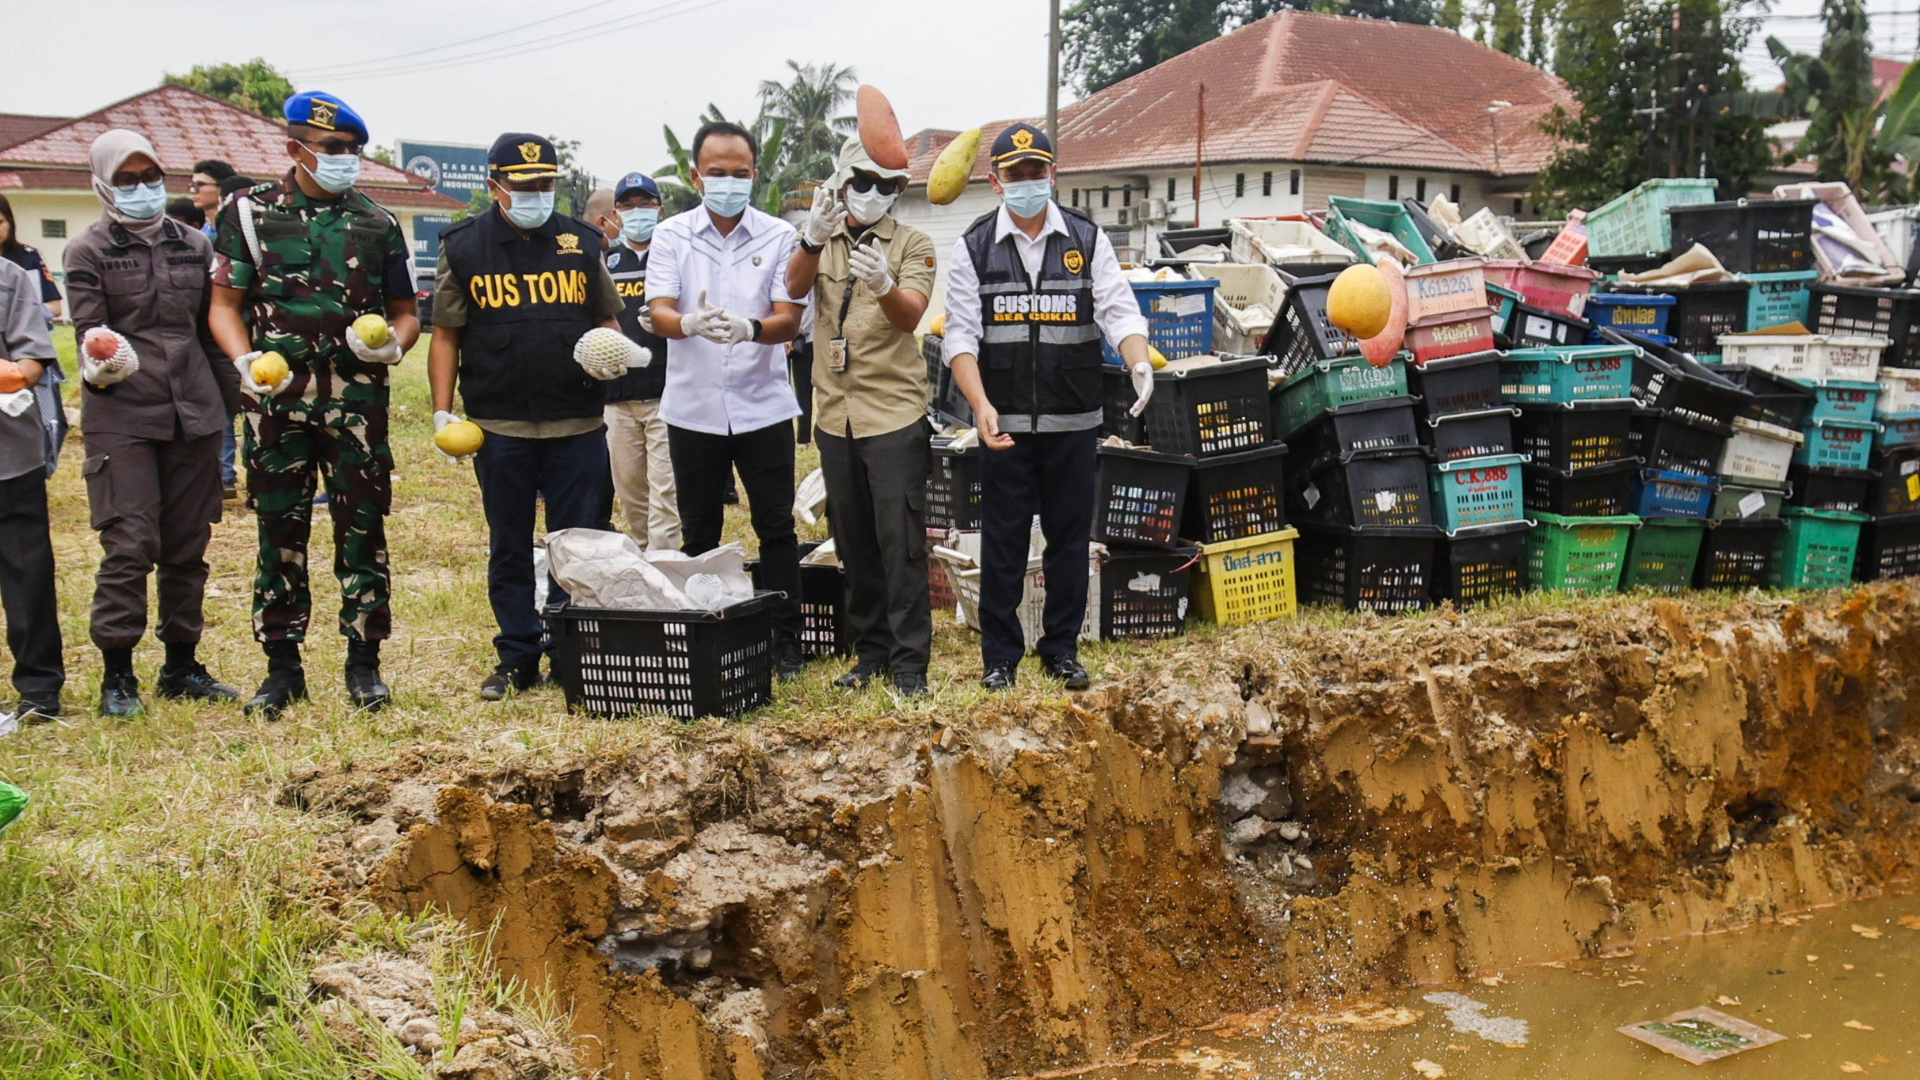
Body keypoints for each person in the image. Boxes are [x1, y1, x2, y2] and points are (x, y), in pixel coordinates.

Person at [207, 90, 420, 717]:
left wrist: (390, 349)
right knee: (279, 532)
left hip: (356, 403)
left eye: (353, 151)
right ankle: (282, 667)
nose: (345, 160)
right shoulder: (248, 213)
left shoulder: (377, 223)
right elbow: (224, 305)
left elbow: (406, 314)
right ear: (295, 148)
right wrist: (244, 361)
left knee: (362, 528)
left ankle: (364, 664)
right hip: (277, 402)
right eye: (333, 149)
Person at [942, 123, 1151, 692]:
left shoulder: (1085, 239)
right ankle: (1000, 656)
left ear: (1052, 175)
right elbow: (959, 337)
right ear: (996, 181)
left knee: (1068, 540)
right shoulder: (976, 246)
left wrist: (1138, 361)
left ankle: (1061, 648)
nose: (1029, 182)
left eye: (1038, 172)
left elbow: (1119, 310)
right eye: (1017, 175)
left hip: (1074, 421)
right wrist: (980, 404)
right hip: (1003, 422)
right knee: (1004, 540)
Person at [429, 134, 638, 700]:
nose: (536, 195)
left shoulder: (581, 240)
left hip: (577, 422)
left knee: (582, 543)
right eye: (524, 187)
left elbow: (607, 323)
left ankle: (574, 650)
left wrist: (616, 358)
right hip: (500, 424)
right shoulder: (465, 246)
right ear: (494, 186)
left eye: (545, 184)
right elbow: (445, 336)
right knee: (511, 544)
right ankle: (518, 654)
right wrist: (442, 412)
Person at [63, 129, 240, 717]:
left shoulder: (193, 242)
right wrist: (101, 357)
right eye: (128, 180)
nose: (143, 189)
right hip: (124, 414)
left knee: (188, 543)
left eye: (151, 177)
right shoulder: (87, 250)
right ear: (103, 185)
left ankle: (181, 665)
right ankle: (118, 675)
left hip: (195, 410)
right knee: (131, 542)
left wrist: (238, 396)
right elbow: (88, 332)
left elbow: (208, 332)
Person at [645, 121, 809, 680]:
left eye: (740, 174)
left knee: (776, 526)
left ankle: (786, 641)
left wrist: (750, 328)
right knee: (700, 532)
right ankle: (706, 631)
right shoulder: (671, 236)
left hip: (763, 405)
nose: (729, 183)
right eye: (717, 174)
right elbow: (661, 309)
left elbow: (789, 314)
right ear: (696, 176)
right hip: (692, 409)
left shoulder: (778, 237)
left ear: (754, 175)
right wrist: (688, 321)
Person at [785, 136, 936, 697]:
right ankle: (871, 652)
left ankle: (909, 664)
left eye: (886, 186)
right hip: (835, 413)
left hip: (892, 413)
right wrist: (810, 237)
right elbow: (793, 289)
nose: (873, 195)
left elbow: (910, 316)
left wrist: (884, 285)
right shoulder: (821, 237)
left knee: (901, 542)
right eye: (861, 183)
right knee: (852, 540)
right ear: (842, 183)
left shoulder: (912, 243)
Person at [600, 171, 678, 551]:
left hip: (666, 392)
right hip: (617, 396)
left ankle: (665, 571)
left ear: (660, 210)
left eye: (645, 205)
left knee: (666, 493)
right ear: (616, 214)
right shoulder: (606, 260)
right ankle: (645, 564)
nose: (637, 213)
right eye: (627, 206)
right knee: (631, 494)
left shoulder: (675, 254)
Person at [0, 254, 62, 723]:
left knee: (27, 572)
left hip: (8, 453)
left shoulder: (10, 277)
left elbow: (30, 364)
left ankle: (39, 688)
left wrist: (14, 374)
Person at [0, 194, 64, 321]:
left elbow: (55, 307)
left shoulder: (28, 257)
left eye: (0, 222)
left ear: (10, 222)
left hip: (23, 334)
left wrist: (22, 313)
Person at [189, 160, 235, 241]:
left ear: (222, 188)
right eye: (192, 185)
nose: (193, 190)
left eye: (201, 184)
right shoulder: (204, 231)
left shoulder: (234, 233)